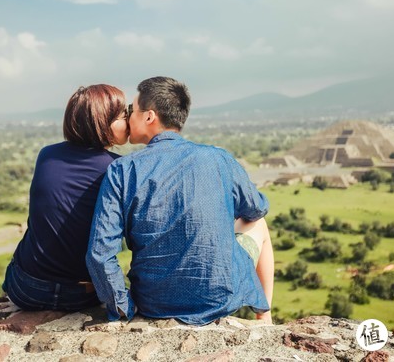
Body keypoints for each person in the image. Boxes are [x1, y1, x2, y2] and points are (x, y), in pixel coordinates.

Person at [86, 76, 274, 325]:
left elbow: (100, 254)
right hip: (219, 296)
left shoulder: (123, 170)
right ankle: (265, 316)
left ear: (149, 116)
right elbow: (256, 208)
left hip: (153, 302)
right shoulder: (218, 159)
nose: (128, 117)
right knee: (258, 223)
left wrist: (123, 307)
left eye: (131, 110)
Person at [2, 84, 129, 311]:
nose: (128, 121)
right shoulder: (116, 168)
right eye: (122, 115)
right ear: (102, 122)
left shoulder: (47, 155)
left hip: (25, 288)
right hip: (80, 295)